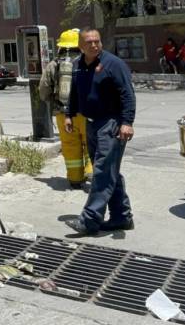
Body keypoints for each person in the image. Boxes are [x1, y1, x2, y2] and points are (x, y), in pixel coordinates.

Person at [64, 29, 136, 235]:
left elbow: (127, 95)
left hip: (111, 123)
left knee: (103, 171)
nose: (94, 45)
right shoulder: (78, 65)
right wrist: (69, 114)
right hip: (91, 123)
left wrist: (127, 122)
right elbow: (75, 92)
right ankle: (121, 217)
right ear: (80, 46)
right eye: (89, 42)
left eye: (97, 41)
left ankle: (90, 220)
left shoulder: (114, 64)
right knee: (109, 170)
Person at [38, 29, 93, 188]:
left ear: (61, 46)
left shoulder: (53, 65)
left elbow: (43, 90)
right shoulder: (89, 61)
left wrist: (54, 102)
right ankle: (93, 171)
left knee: (70, 146)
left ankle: (75, 179)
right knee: (90, 143)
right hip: (86, 113)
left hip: (63, 114)